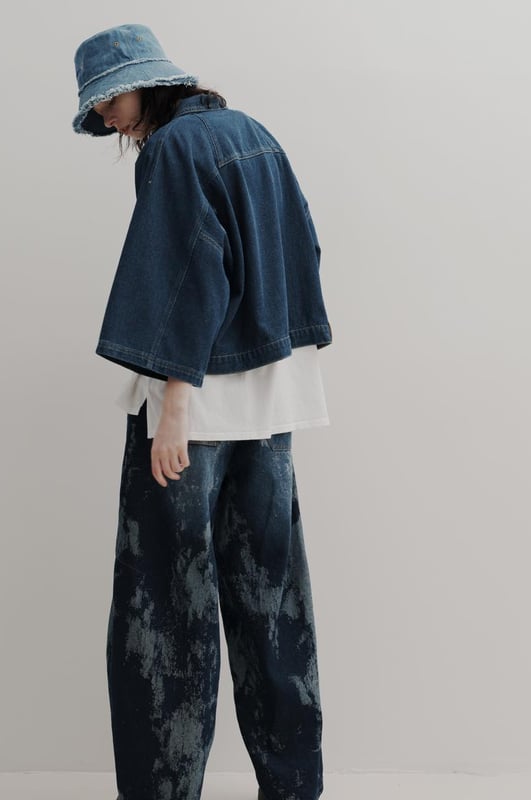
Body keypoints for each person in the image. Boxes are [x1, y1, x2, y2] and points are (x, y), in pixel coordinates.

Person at [72, 23, 333, 800]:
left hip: (193, 407)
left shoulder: (172, 149)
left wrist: (175, 409)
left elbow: (187, 273)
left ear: (145, 85)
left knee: (165, 612)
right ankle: (294, 789)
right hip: (272, 397)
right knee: (272, 604)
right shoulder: (254, 133)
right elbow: (304, 248)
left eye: (109, 100)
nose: (107, 117)